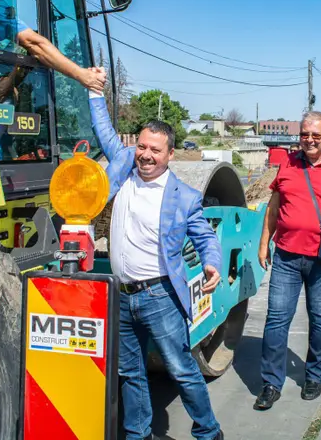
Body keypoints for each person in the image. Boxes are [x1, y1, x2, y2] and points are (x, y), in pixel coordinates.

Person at [88, 71, 224, 440]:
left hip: (159, 296)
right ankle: (138, 434)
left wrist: (212, 261)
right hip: (121, 294)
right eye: (142, 147)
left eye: (156, 150)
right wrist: (94, 92)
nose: (146, 155)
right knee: (129, 372)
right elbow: (103, 130)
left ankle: (208, 432)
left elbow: (205, 236)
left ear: (170, 154)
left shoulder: (184, 196)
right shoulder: (124, 170)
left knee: (181, 369)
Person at [254, 111, 321, 411]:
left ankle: (314, 376)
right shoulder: (288, 162)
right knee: (276, 319)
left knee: (320, 318)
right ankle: (271, 383)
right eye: (304, 134)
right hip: (287, 255)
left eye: (316, 135)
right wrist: (264, 244)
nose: (309, 140)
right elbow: (274, 206)